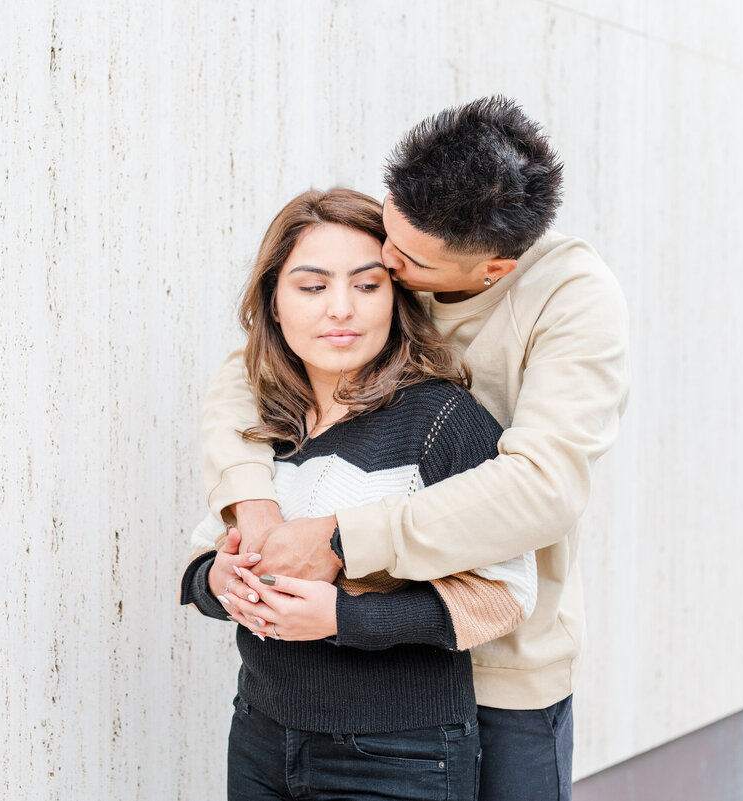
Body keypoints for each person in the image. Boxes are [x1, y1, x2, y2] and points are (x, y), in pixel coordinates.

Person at [199, 97, 630, 801]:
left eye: (400, 263)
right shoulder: (399, 261)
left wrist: (341, 540)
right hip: (358, 685)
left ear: (492, 271)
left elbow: (542, 488)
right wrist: (255, 509)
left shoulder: (572, 301)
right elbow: (248, 372)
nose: (384, 267)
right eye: (389, 233)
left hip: (501, 667)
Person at [180, 187, 537, 801]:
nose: (340, 309)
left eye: (367, 286)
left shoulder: (441, 420)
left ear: (397, 299)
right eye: (312, 287)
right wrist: (221, 581)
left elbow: (503, 598)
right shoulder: (265, 422)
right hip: (261, 735)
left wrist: (342, 617)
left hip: (396, 753)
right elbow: (199, 569)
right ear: (273, 302)